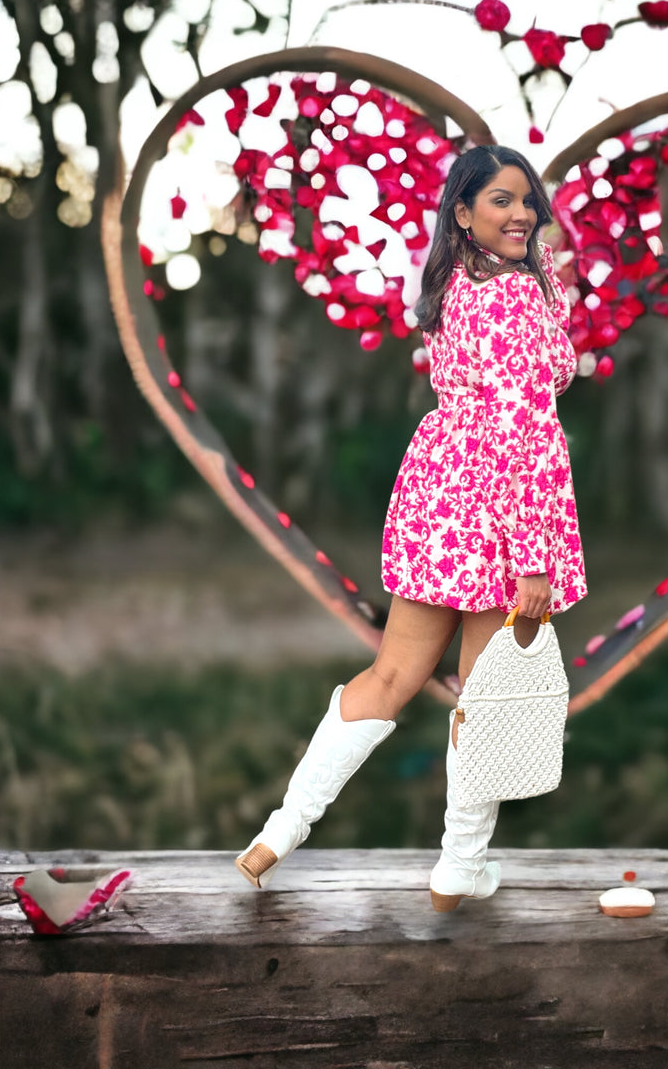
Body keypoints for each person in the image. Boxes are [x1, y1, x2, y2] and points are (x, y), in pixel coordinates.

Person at [235, 145, 587, 910]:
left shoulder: (455, 286)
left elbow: (510, 388)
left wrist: (546, 276)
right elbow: (520, 426)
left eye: (528, 199)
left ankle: (281, 829)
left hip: (439, 496)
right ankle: (461, 865)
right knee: (485, 695)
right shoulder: (514, 299)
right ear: (463, 212)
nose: (522, 213)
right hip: (498, 509)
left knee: (390, 677)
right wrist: (530, 555)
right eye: (500, 200)